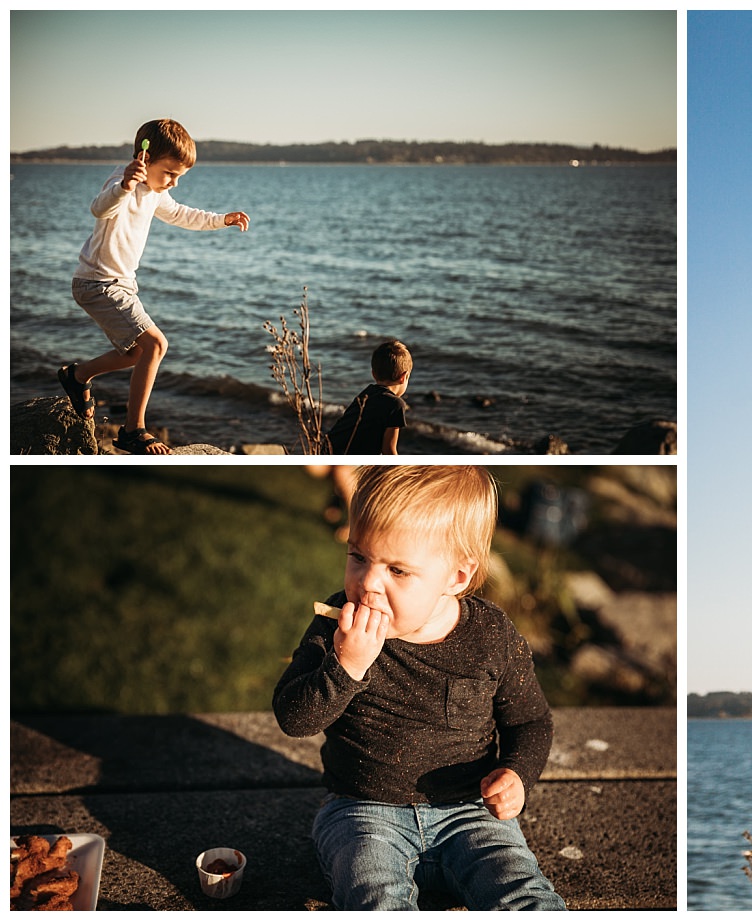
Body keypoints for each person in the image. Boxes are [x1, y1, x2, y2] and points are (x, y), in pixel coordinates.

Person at [273, 466, 566, 910]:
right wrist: (346, 666)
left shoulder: (489, 636)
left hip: (470, 812)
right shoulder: (337, 622)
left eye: (398, 570)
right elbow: (293, 718)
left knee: (523, 893)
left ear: (456, 577)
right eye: (359, 556)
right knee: (374, 894)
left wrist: (518, 775)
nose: (368, 582)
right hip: (362, 809)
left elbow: (530, 720)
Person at [56, 118, 250, 455]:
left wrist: (222, 219)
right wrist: (124, 187)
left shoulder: (156, 193)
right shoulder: (123, 181)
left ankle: (77, 375)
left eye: (179, 177)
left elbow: (182, 215)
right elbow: (99, 208)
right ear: (145, 160)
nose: (174, 183)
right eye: (170, 173)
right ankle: (133, 430)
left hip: (122, 285)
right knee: (156, 345)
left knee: (135, 353)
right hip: (98, 283)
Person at [328, 341, 413, 454]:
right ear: (403, 377)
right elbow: (388, 451)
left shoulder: (366, 393)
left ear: (373, 374)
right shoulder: (396, 404)